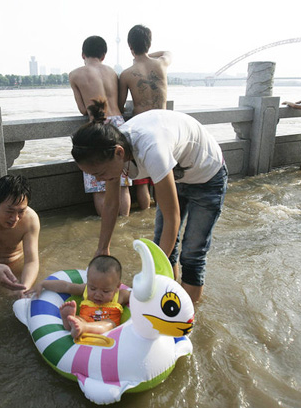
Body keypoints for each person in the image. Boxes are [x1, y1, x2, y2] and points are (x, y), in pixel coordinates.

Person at [71, 99, 227, 303]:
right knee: (163, 246)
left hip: (207, 176)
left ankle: (187, 320)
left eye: (100, 173)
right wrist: (102, 248)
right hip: (176, 174)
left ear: (119, 153)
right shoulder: (110, 151)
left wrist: (153, 273)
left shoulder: (152, 149)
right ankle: (167, 301)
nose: (99, 180)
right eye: (94, 176)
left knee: (192, 253)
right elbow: (111, 204)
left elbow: (173, 218)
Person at [69, 35, 132, 216]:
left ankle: (106, 225)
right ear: (103, 55)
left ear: (83, 54)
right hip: (119, 124)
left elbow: (83, 109)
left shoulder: (75, 74)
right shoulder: (112, 72)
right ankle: (124, 223)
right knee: (123, 183)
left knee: (99, 186)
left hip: (97, 127)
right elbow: (120, 105)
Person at [118, 24, 173, 210]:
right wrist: (147, 53)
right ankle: (160, 214)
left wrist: (136, 57)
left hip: (141, 127)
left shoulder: (126, 74)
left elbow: (119, 105)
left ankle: (144, 214)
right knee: (163, 173)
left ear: (130, 46)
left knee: (142, 179)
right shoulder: (162, 63)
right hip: (163, 125)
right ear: (149, 44)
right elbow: (167, 52)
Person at [30, 255, 130, 339]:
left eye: (105, 291)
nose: (98, 294)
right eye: (93, 288)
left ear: (117, 286)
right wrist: (43, 284)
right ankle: (69, 322)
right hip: (83, 322)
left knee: (110, 323)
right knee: (78, 320)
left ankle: (83, 327)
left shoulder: (121, 295)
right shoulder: (85, 290)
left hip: (107, 330)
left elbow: (140, 299)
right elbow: (66, 286)